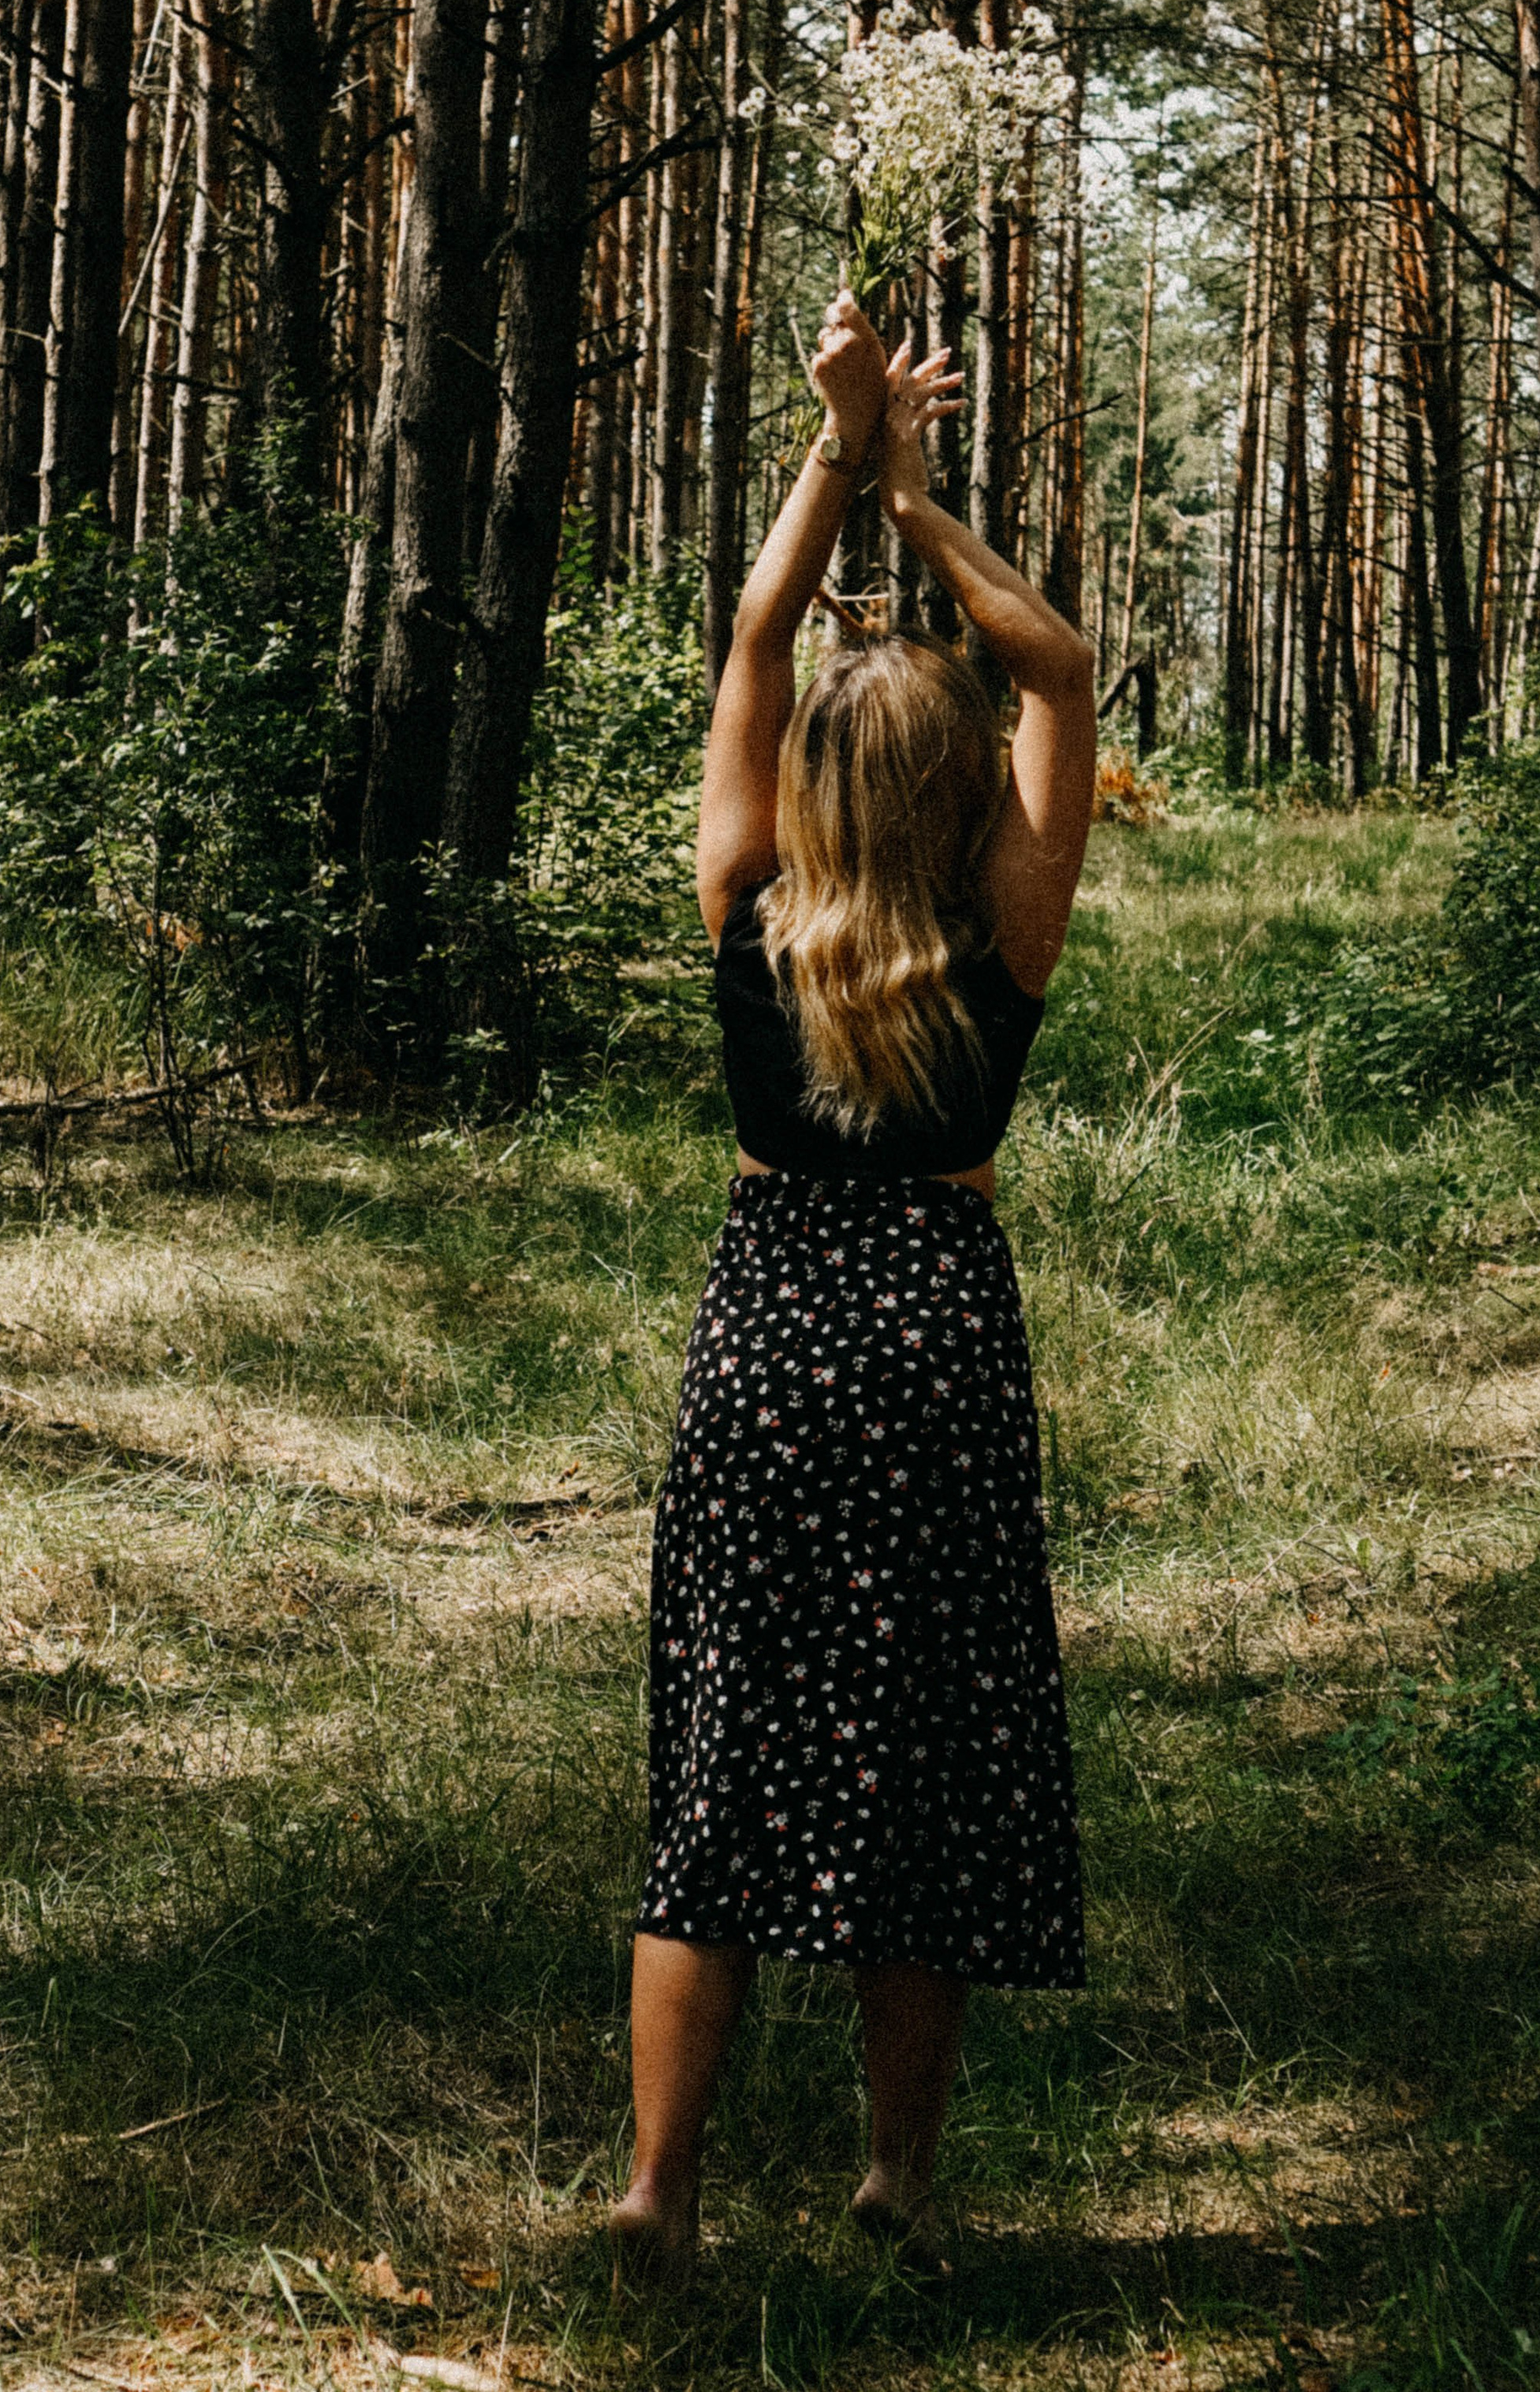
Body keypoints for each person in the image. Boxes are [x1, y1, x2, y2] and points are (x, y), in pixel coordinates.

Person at [610, 292, 1097, 2283]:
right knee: (932, 1769)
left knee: (722, 1757)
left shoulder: (747, 907)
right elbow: (1054, 660)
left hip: (768, 1339)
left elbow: (748, 641)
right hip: (934, 1346)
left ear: (813, 779)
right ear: (965, 787)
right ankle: (893, 2177)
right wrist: (914, 494)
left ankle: (658, 2188)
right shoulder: (1004, 935)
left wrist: (832, 454)